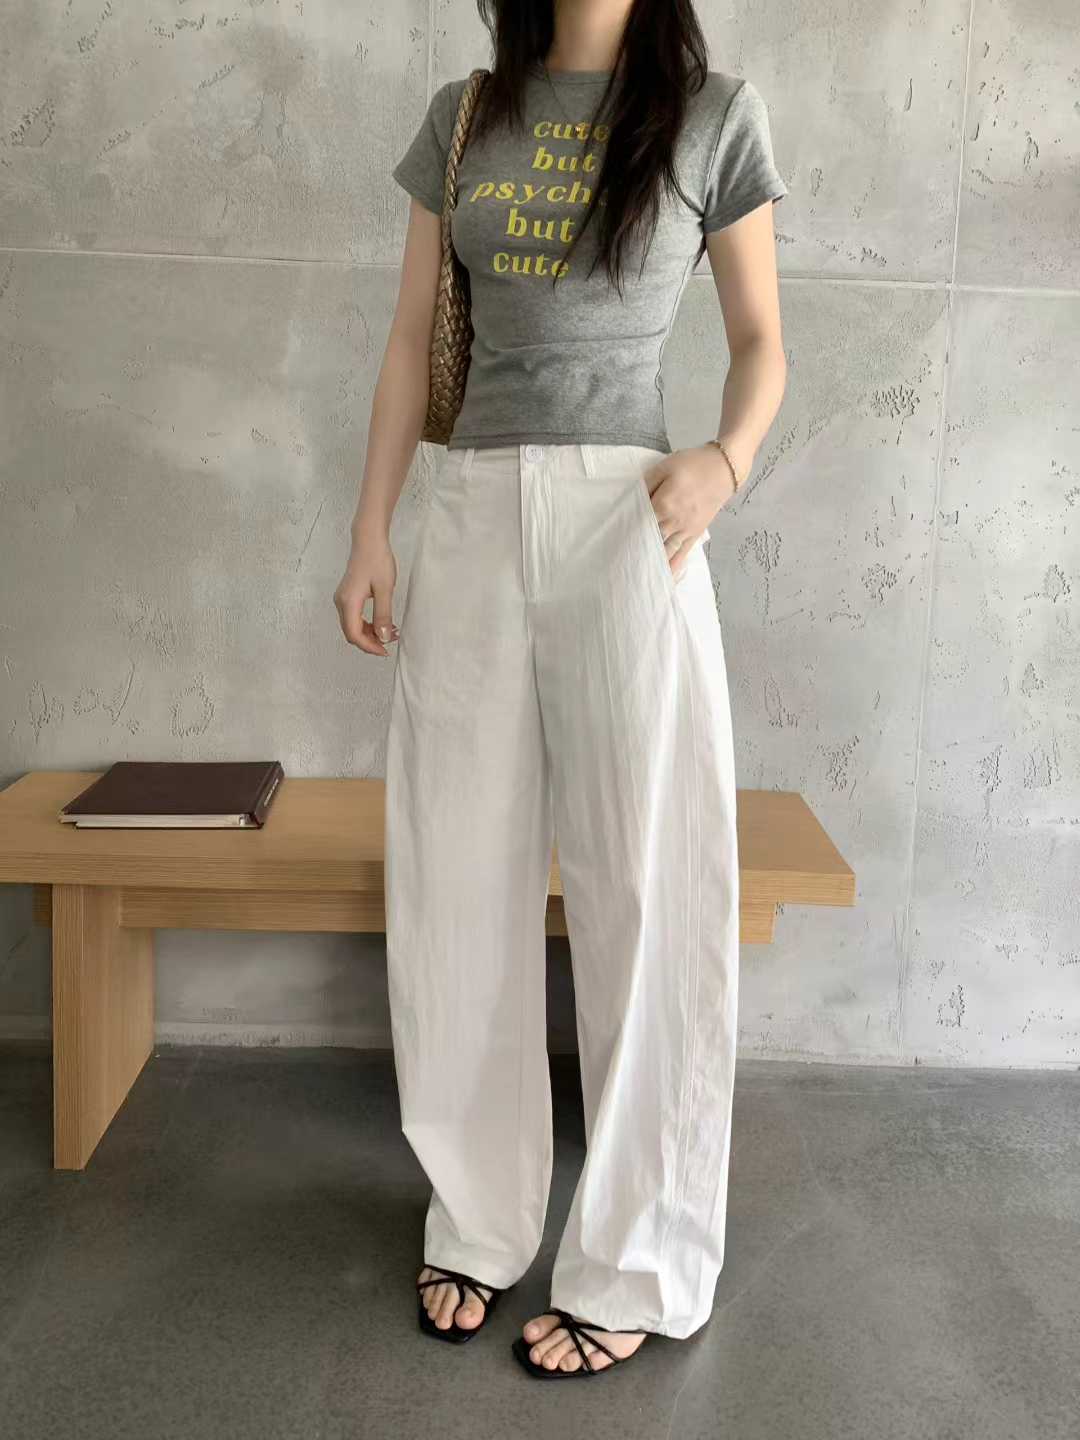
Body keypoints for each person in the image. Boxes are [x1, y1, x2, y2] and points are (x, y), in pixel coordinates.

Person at [333, 0, 788, 1380]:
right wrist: (372, 529)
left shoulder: (713, 117)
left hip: (632, 521)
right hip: (473, 511)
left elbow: (762, 340)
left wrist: (725, 462)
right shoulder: (466, 115)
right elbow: (408, 340)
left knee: (647, 889)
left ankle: (639, 1258)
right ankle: (473, 1218)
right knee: (457, 877)